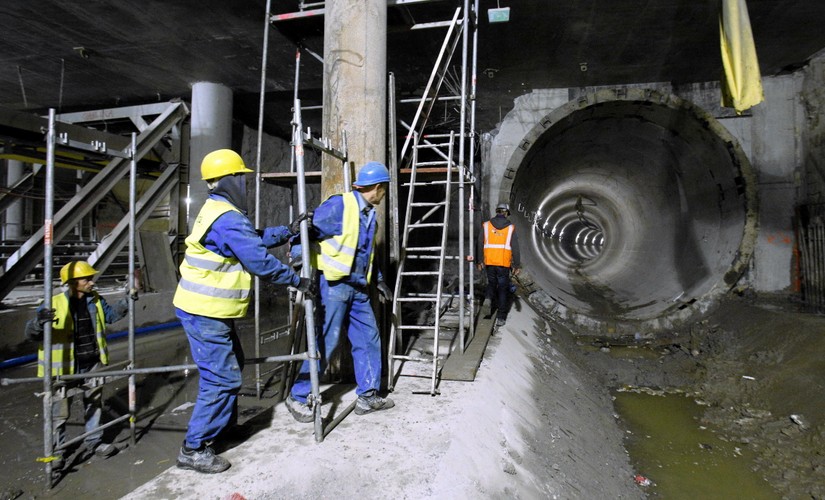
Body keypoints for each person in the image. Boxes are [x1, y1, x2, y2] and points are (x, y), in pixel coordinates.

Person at [173, 148, 314, 474]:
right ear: (226, 180)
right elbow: (258, 261)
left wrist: (289, 230)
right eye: (240, 177)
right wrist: (298, 280)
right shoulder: (228, 218)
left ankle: (221, 432)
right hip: (204, 311)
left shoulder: (219, 211)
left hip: (207, 309)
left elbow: (253, 239)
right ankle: (193, 448)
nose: (244, 184)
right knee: (221, 378)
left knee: (229, 368)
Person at [284, 161, 395, 423]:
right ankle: (298, 396)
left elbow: (364, 252)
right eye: (384, 189)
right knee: (326, 341)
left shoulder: (370, 216)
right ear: (378, 188)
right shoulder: (341, 206)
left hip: (357, 286)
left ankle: (368, 395)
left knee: (369, 337)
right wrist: (300, 260)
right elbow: (303, 231)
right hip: (333, 284)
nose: (384, 194)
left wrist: (377, 278)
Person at [25, 260, 128, 468]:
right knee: (59, 412)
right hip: (63, 368)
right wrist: (38, 322)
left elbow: (111, 316)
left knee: (94, 404)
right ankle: (57, 451)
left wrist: (127, 301)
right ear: (72, 282)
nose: (91, 282)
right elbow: (30, 333)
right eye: (86, 279)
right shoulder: (53, 302)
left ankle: (94, 442)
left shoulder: (95, 300)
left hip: (91, 363)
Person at [476, 202, 521, 327]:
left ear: (497, 211)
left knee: (491, 283)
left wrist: (479, 261)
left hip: (489, 262)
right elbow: (515, 248)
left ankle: (488, 299)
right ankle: (501, 317)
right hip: (503, 263)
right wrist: (517, 265)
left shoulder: (486, 225)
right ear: (506, 213)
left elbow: (479, 243)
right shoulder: (510, 227)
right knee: (502, 289)